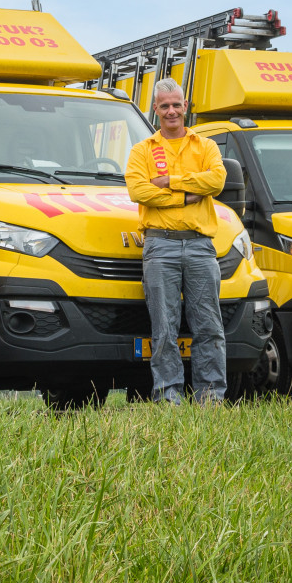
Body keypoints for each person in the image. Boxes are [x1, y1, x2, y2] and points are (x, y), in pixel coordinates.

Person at [124, 78, 229, 404]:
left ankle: (210, 399)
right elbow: (138, 191)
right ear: (155, 110)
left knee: (209, 327)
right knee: (165, 330)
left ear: (186, 106)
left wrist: (171, 182)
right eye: (164, 105)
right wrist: (186, 198)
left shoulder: (205, 145)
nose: (171, 111)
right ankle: (168, 399)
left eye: (176, 104)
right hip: (159, 245)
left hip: (200, 245)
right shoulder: (143, 150)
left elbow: (217, 180)